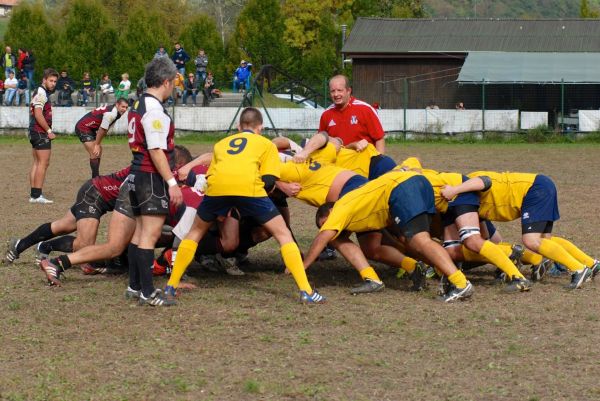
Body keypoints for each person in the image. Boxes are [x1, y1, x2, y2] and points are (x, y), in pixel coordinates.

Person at [165, 107, 326, 304]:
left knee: (195, 233)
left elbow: (211, 175)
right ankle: (306, 291)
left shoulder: (221, 144)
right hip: (250, 189)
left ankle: (171, 286)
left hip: (217, 189)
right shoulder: (266, 144)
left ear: (239, 127)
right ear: (260, 128)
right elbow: (268, 181)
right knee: (282, 234)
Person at [304, 170, 474, 302]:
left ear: (331, 211)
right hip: (416, 184)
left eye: (326, 223)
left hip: (402, 187)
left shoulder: (340, 208)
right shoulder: (356, 208)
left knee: (421, 241)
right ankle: (411, 270)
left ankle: (460, 283)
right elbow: (367, 248)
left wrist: (302, 266)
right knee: (412, 244)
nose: (329, 229)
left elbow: (323, 237)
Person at [37, 146, 192, 283]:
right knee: (117, 246)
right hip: (134, 190)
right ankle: (57, 263)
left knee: (130, 240)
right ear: (178, 166)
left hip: (133, 186)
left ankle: (133, 283)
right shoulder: (172, 172)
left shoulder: (154, 157)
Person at [441, 171, 600, 289]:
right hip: (541, 185)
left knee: (531, 241)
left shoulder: (466, 186)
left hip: (534, 189)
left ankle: (578, 270)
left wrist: (454, 190)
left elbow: (483, 180)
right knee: (545, 242)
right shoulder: (472, 209)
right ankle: (590, 263)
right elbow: (491, 242)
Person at [124, 56, 182, 306]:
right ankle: (148, 292)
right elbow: (157, 150)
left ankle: (135, 286)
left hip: (137, 174)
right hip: (150, 175)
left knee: (139, 233)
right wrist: (171, 182)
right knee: (150, 233)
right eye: (174, 83)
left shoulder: (138, 103)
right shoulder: (154, 109)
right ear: (166, 82)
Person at [5, 166, 131, 265]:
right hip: (94, 194)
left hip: (95, 190)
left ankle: (20, 244)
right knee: (84, 245)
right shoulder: (144, 171)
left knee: (63, 225)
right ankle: (44, 246)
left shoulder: (146, 168)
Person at [319, 75, 386, 154]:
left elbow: (379, 139)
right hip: (338, 162)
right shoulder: (326, 114)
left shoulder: (365, 109)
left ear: (349, 90)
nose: (336, 94)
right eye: (332, 91)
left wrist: (378, 160)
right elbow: (322, 141)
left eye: (340, 90)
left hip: (363, 160)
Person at [75, 98, 129, 177]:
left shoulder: (117, 112)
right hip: (83, 127)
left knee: (98, 151)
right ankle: (95, 179)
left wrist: (98, 144)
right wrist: (97, 144)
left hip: (91, 128)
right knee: (95, 152)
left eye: (126, 107)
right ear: (117, 105)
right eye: (123, 107)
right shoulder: (112, 114)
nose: (124, 109)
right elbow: (102, 129)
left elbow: (105, 128)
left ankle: (96, 177)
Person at [28, 68, 59, 204]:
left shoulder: (39, 91)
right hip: (40, 132)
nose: (53, 83)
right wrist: (48, 130)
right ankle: (37, 196)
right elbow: (38, 113)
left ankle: (34, 194)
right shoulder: (41, 93)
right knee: (43, 163)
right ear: (44, 80)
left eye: (55, 81)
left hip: (34, 131)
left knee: (37, 162)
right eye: (50, 80)